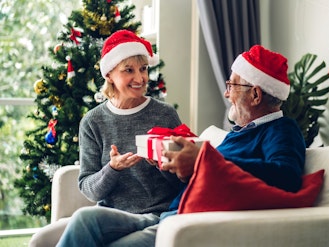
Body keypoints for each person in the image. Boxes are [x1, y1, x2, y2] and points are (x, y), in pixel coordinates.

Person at [30, 30, 184, 247]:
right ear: (109, 74)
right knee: (83, 218)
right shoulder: (93, 122)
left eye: (143, 69)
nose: (140, 78)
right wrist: (113, 169)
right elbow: (88, 188)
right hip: (112, 217)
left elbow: (185, 180)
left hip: (158, 214)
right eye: (128, 70)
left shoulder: (165, 115)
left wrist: (163, 164)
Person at [161, 45, 306, 214]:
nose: (226, 94)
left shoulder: (282, 129)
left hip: (186, 220)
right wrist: (182, 168)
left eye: (232, 85)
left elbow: (287, 177)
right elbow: (217, 175)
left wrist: (204, 160)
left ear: (255, 95)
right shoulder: (238, 133)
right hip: (173, 213)